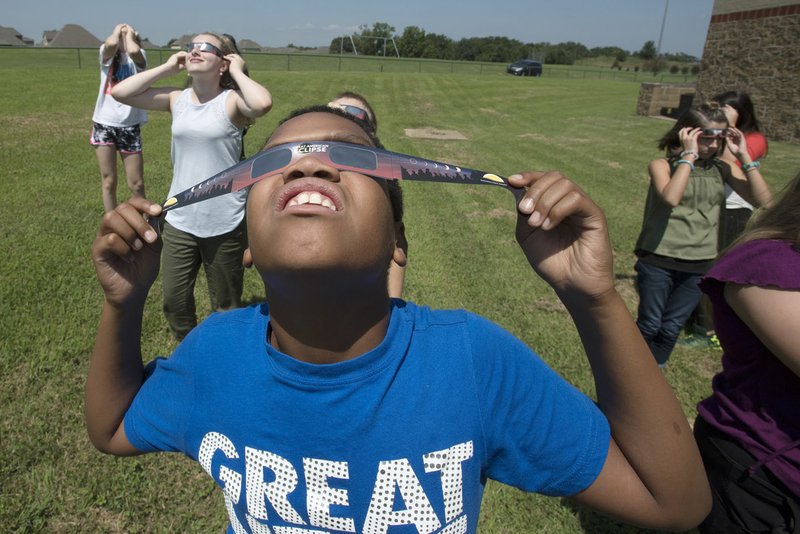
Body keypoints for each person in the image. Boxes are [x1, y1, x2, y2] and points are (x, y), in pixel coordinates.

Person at [87, 105, 711, 533]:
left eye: (348, 157)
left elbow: (675, 501)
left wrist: (593, 297)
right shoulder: (214, 352)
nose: (308, 165)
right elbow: (112, 428)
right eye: (274, 163)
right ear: (244, 238)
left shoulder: (471, 361)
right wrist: (124, 304)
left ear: (397, 241)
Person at [111, 32, 272, 339]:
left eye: (206, 48)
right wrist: (167, 68)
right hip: (180, 218)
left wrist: (237, 70)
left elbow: (262, 103)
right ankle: (188, 351)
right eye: (192, 47)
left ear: (222, 63)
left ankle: (223, 351)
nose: (195, 51)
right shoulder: (177, 99)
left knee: (226, 305)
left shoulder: (232, 102)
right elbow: (120, 92)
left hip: (225, 219)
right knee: (173, 301)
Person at [694, 172, 800, 533]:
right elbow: (670, 191)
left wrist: (745, 160)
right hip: (762, 476)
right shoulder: (768, 264)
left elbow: (762, 195)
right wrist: (690, 157)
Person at [633, 103, 771, 366]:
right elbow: (671, 197)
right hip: (659, 257)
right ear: (687, 133)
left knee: (671, 327)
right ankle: (634, 370)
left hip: (700, 261)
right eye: (705, 137)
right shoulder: (661, 165)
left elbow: (764, 201)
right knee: (650, 324)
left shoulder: (722, 169)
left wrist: (743, 156)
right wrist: (689, 156)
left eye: (718, 138)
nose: (711, 144)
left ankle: (655, 371)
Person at [327, 91, 408, 298]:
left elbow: (395, 244)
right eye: (331, 111)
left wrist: (392, 305)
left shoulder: (378, 185)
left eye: (353, 114)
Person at [91, 23, 148, 212]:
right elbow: (109, 45)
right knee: (108, 181)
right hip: (104, 124)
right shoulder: (106, 55)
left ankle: (142, 222)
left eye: (126, 35)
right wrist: (116, 31)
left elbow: (133, 51)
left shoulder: (139, 57)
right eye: (119, 35)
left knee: (136, 184)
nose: (121, 38)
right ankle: (111, 222)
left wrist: (129, 36)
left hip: (129, 126)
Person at [713, 91, 769, 249]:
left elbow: (729, 162)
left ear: (741, 113)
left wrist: (729, 126)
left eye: (724, 110)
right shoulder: (715, 134)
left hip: (734, 208)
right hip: (710, 202)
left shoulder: (755, 139)